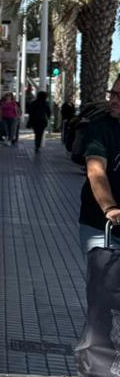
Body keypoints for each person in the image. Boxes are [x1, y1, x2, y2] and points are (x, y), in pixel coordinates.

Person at [76, 80, 120, 255]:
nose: (114, 100)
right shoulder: (100, 129)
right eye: (113, 94)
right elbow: (95, 171)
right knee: (104, 281)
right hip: (101, 227)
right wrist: (110, 208)